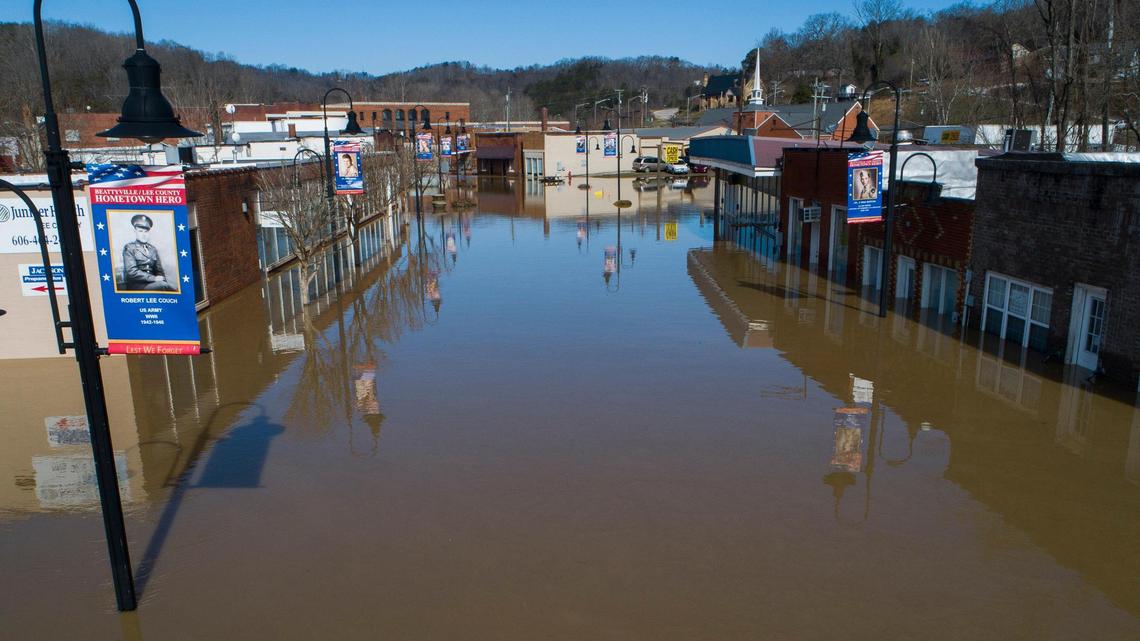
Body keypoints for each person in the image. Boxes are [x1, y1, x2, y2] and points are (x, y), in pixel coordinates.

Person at [121, 214, 176, 291]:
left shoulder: (153, 249)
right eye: (140, 231)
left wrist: (162, 280)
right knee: (165, 286)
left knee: (169, 287)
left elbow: (159, 271)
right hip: (137, 286)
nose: (143, 235)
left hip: (153, 284)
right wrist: (154, 278)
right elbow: (131, 272)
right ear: (135, 231)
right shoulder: (129, 248)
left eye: (146, 232)